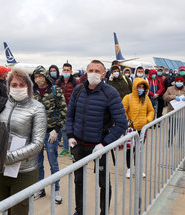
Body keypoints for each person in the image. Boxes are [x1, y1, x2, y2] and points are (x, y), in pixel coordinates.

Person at [67, 60, 127, 215]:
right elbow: (70, 114)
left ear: (104, 74)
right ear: (86, 72)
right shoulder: (78, 90)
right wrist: (70, 135)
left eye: (97, 71)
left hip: (99, 147)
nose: (93, 73)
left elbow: (121, 123)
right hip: (78, 145)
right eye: (90, 70)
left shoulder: (110, 93)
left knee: (103, 183)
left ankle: (103, 212)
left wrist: (104, 143)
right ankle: (79, 211)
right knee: (78, 180)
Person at [0, 69, 46, 215]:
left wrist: (9, 157)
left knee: (18, 211)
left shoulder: (37, 108)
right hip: (0, 170)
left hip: (24, 172)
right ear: (8, 86)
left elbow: (38, 143)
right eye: (14, 84)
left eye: (22, 84)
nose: (17, 88)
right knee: (4, 209)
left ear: (28, 87)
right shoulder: (0, 104)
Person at [31, 65, 67, 204]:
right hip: (37, 133)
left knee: (53, 162)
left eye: (40, 76)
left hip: (51, 132)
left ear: (45, 76)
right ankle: (40, 189)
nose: (37, 79)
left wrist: (57, 130)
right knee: (38, 163)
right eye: (35, 77)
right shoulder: (33, 92)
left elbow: (63, 109)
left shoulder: (55, 90)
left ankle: (56, 190)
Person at [122, 78, 154, 178]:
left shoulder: (146, 99)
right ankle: (129, 169)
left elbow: (151, 111)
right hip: (131, 129)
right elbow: (123, 110)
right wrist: (128, 122)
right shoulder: (128, 98)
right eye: (139, 87)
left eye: (142, 87)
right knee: (129, 149)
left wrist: (147, 120)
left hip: (142, 129)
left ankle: (138, 168)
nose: (141, 89)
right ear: (135, 87)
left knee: (139, 149)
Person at [56, 63, 80, 157]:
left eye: (68, 70)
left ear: (71, 71)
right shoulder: (58, 82)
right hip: (62, 110)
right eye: (64, 70)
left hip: (73, 109)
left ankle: (73, 149)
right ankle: (66, 149)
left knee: (73, 130)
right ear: (62, 71)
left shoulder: (76, 82)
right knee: (64, 130)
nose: (66, 72)